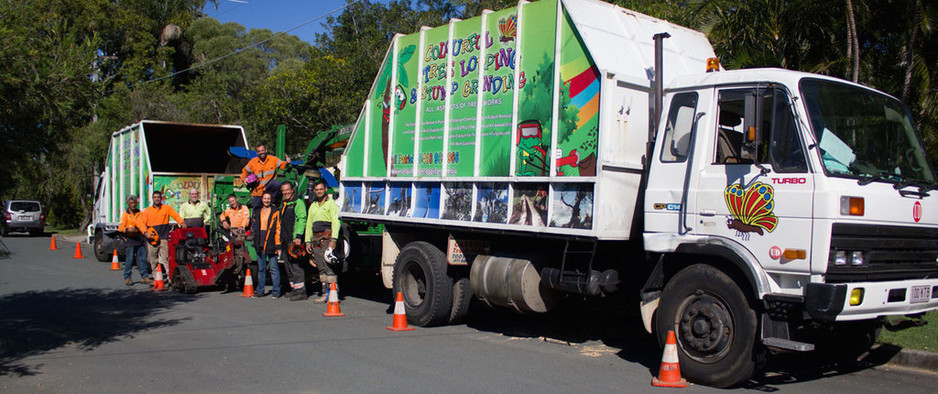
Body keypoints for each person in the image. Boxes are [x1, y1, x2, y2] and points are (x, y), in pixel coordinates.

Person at [305, 180, 341, 304]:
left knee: (329, 267)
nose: (319, 191)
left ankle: (333, 294)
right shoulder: (313, 205)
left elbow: (336, 222)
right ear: (314, 191)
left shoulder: (331, 204)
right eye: (317, 190)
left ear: (325, 189)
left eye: (321, 189)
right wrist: (307, 241)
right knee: (320, 268)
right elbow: (309, 223)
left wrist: (333, 240)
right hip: (315, 240)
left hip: (327, 239)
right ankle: (324, 294)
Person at [139, 190, 186, 282]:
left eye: (158, 197)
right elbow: (142, 224)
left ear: (161, 198)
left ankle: (170, 278)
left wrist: (181, 222)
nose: (157, 199)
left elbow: (175, 215)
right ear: (152, 199)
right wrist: (145, 233)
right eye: (155, 197)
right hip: (152, 239)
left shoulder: (166, 208)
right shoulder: (147, 211)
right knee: (153, 259)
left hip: (164, 237)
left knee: (166, 258)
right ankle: (157, 277)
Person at [278, 181, 307, 301]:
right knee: (288, 265)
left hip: (294, 240)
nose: (285, 192)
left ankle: (301, 292)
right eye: (283, 190)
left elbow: (302, 219)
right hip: (285, 240)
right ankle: (294, 289)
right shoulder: (284, 204)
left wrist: (298, 236)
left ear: (292, 190)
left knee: (296, 266)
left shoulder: (298, 203)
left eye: (287, 190)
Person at [251, 192, 282, 299]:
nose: (267, 200)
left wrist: (278, 245)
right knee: (261, 269)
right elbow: (255, 227)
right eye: (265, 198)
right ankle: (260, 291)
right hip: (260, 242)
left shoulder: (275, 212)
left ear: (271, 199)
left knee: (274, 268)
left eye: (268, 198)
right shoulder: (258, 211)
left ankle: (276, 292)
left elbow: (278, 228)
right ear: (262, 199)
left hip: (271, 243)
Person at [240, 144, 290, 210]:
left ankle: (273, 201)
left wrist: (287, 162)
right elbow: (244, 171)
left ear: (266, 150)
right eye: (259, 151)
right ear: (257, 153)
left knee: (277, 184)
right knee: (256, 212)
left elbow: (282, 165)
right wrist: (244, 179)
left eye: (263, 150)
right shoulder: (253, 162)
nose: (261, 152)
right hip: (257, 190)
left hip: (268, 186)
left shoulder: (273, 159)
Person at [118, 195, 151, 286]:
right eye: (131, 203)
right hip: (130, 239)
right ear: (128, 204)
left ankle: (144, 277)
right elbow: (120, 227)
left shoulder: (140, 213)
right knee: (129, 259)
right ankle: (127, 278)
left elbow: (142, 224)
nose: (133, 205)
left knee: (142, 259)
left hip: (140, 238)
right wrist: (127, 230)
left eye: (134, 203)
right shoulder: (126, 214)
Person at [219, 194, 251, 281]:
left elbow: (246, 218)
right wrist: (224, 221)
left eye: (233, 201)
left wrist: (242, 226)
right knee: (230, 250)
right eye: (230, 202)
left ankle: (239, 270)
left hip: (241, 231)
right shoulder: (228, 210)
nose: (232, 203)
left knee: (239, 250)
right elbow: (222, 215)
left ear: (236, 199)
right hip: (232, 231)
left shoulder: (244, 208)